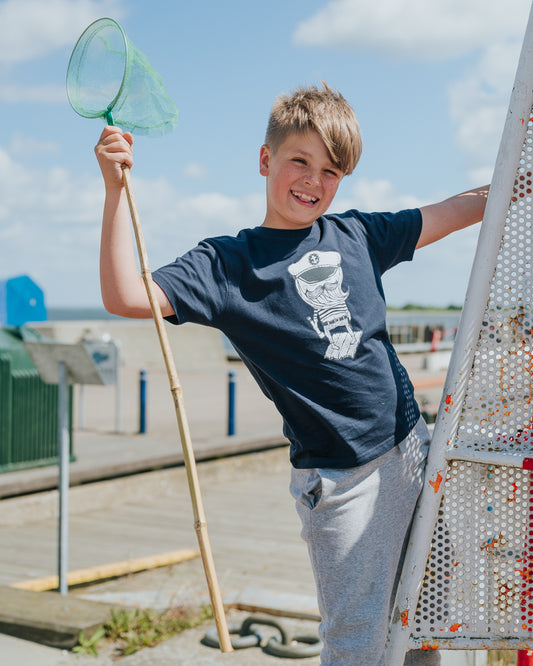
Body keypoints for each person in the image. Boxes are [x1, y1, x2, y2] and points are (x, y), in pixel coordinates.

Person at [95, 83, 489, 665]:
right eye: (299, 161)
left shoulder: (358, 234)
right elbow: (126, 295)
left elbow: (456, 210)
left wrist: (514, 178)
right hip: (340, 480)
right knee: (357, 644)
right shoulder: (227, 264)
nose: (313, 181)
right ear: (265, 160)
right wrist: (113, 191)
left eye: (330, 171)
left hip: (412, 449)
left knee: (422, 631)